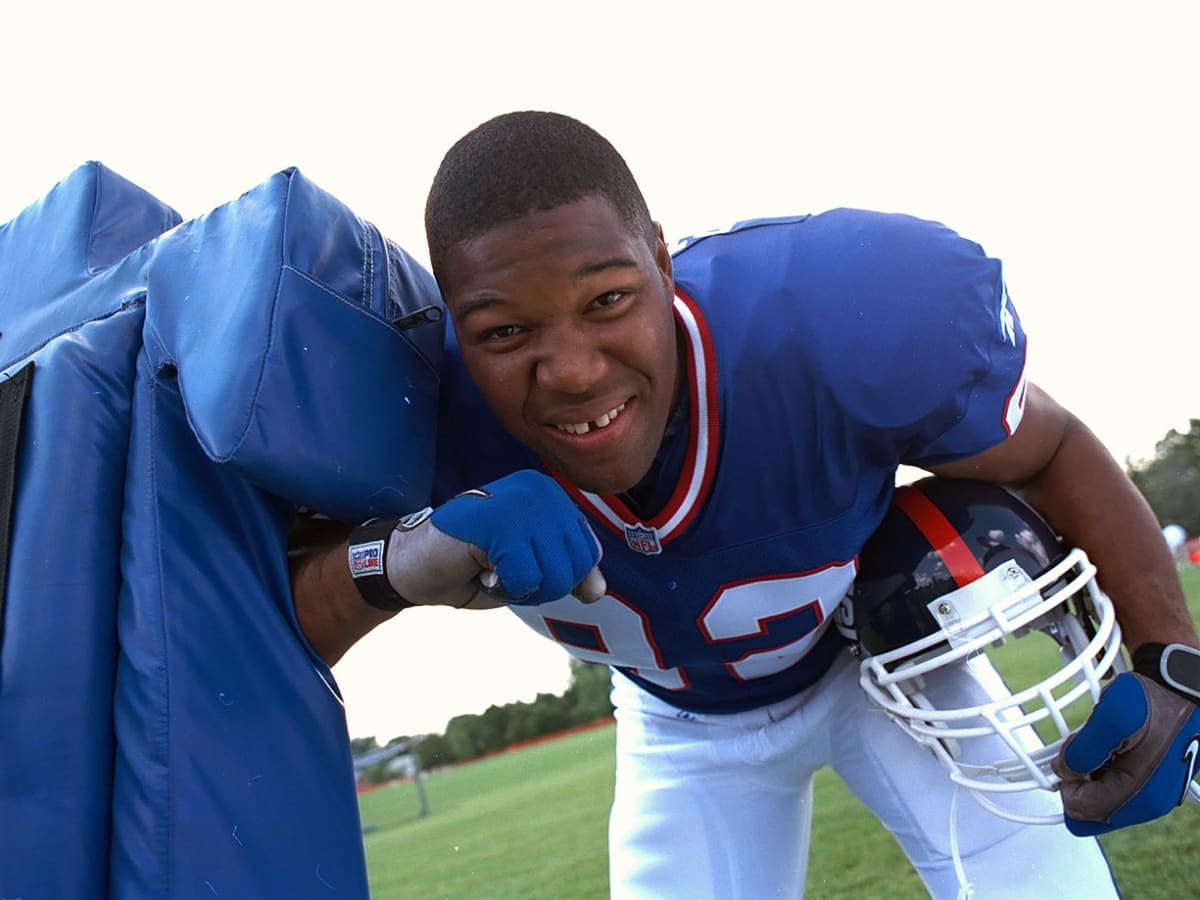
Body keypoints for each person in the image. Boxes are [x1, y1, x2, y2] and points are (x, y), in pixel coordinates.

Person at [292, 111, 1200, 898]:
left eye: (607, 298)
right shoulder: (413, 415)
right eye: (504, 332)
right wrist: (400, 558)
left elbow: (1054, 447)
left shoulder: (827, 325)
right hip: (677, 727)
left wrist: (1173, 662)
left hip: (879, 662)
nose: (570, 369)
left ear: (661, 257)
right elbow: (260, 629)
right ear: (450, 324)